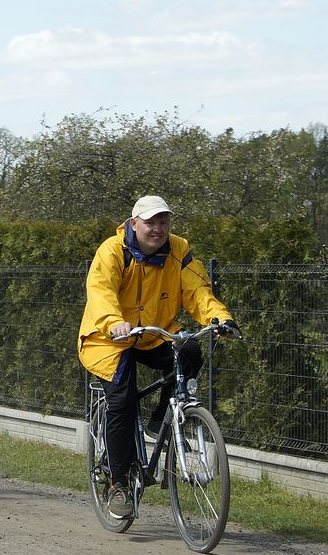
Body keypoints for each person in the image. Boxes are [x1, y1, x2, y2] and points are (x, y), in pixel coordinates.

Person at [77, 195, 239, 517]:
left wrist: (219, 318)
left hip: (153, 333)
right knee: (122, 400)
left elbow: (197, 291)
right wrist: (113, 322)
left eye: (163, 222)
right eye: (151, 222)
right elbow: (101, 291)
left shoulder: (178, 250)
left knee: (190, 350)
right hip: (109, 338)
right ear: (134, 223)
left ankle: (158, 421)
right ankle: (118, 484)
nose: (158, 229)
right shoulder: (112, 251)